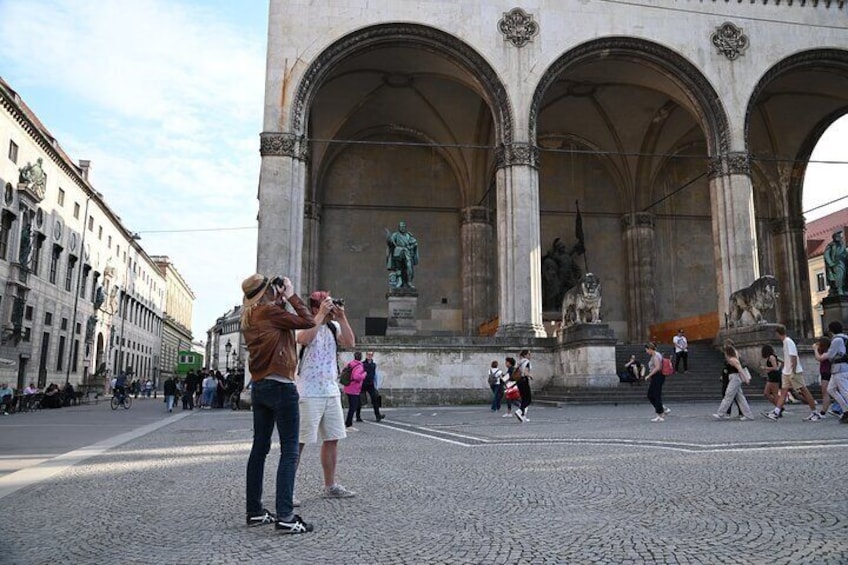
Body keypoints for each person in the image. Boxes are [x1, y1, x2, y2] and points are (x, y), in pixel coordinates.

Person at [241, 273, 316, 534]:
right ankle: (285, 516)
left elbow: (280, 328)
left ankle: (254, 511)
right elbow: (307, 321)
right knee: (289, 451)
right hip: (282, 388)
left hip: (260, 387)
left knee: (259, 449)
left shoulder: (250, 316)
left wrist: (279, 300)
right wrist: (292, 295)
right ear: (267, 292)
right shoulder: (270, 312)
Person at [296, 290, 357, 499]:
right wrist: (320, 315)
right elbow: (304, 339)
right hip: (308, 391)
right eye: (325, 304)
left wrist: (341, 316)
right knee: (299, 441)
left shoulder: (334, 326)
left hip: (331, 390)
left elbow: (350, 343)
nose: (329, 308)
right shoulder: (302, 322)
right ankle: (289, 489)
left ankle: (330, 485)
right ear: (315, 307)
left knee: (332, 439)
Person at [765, 325, 820, 421]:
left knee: (804, 391)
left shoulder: (788, 342)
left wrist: (793, 371)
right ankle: (776, 412)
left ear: (778, 333)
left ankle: (815, 412)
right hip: (787, 371)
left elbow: (793, 357)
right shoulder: (786, 342)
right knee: (783, 392)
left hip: (793, 371)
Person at [815, 321, 848, 423]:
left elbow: (830, 355)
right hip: (838, 368)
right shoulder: (844, 338)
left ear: (831, 330)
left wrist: (820, 355)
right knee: (830, 389)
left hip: (839, 368)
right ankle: (846, 410)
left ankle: (846, 411)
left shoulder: (836, 340)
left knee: (844, 391)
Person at [712, 344, 755, 420]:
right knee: (740, 397)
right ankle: (748, 414)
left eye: (725, 353)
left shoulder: (733, 360)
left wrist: (746, 379)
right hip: (734, 378)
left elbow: (740, 369)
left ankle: (721, 413)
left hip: (735, 378)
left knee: (728, 395)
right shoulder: (733, 359)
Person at [385, 221, 419, 289]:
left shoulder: (408, 235)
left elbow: (415, 243)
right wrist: (389, 239)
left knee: (409, 267)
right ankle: (399, 280)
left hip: (406, 252)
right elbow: (390, 243)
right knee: (398, 267)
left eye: (403, 226)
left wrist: (411, 247)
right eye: (401, 226)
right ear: (399, 227)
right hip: (398, 252)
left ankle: (409, 282)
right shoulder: (395, 235)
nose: (402, 228)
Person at [644, 343, 668, 422]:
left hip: (657, 376)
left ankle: (660, 415)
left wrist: (648, 375)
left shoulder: (655, 356)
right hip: (658, 376)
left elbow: (658, 367)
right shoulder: (657, 354)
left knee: (656, 395)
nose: (646, 352)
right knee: (651, 395)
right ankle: (662, 409)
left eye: (646, 350)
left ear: (650, 349)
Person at [343, 352, 366, 429]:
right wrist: (364, 375)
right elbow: (356, 377)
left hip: (348, 387)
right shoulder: (359, 366)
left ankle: (348, 422)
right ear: (361, 357)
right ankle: (348, 424)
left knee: (352, 406)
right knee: (353, 407)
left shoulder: (350, 364)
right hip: (354, 388)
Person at [359, 352, 384, 422]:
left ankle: (378, 415)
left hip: (371, 384)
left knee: (375, 399)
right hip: (363, 384)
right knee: (360, 400)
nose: (369, 356)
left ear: (372, 356)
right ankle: (358, 416)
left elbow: (376, 375)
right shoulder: (362, 364)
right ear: (366, 355)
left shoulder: (374, 365)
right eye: (368, 354)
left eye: (371, 355)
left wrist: (376, 385)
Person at [760, 344, 783, 416]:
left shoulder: (771, 357)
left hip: (774, 377)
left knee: (774, 394)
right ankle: (779, 407)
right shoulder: (773, 357)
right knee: (766, 393)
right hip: (772, 377)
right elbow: (782, 362)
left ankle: (778, 409)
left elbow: (775, 368)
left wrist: (765, 368)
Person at [823, 230, 847, 296]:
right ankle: (839, 290)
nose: (840, 237)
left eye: (840, 236)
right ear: (835, 237)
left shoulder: (842, 245)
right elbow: (826, 255)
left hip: (843, 262)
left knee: (844, 276)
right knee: (839, 276)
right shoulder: (831, 245)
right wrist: (830, 263)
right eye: (839, 236)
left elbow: (845, 253)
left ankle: (843, 289)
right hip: (835, 263)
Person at [514, 350, 533, 423]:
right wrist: (530, 376)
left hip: (518, 381)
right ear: (525, 355)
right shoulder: (527, 362)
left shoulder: (519, 362)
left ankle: (523, 416)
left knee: (523, 398)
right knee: (528, 399)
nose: (530, 355)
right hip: (524, 380)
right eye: (529, 354)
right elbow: (525, 373)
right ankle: (519, 411)